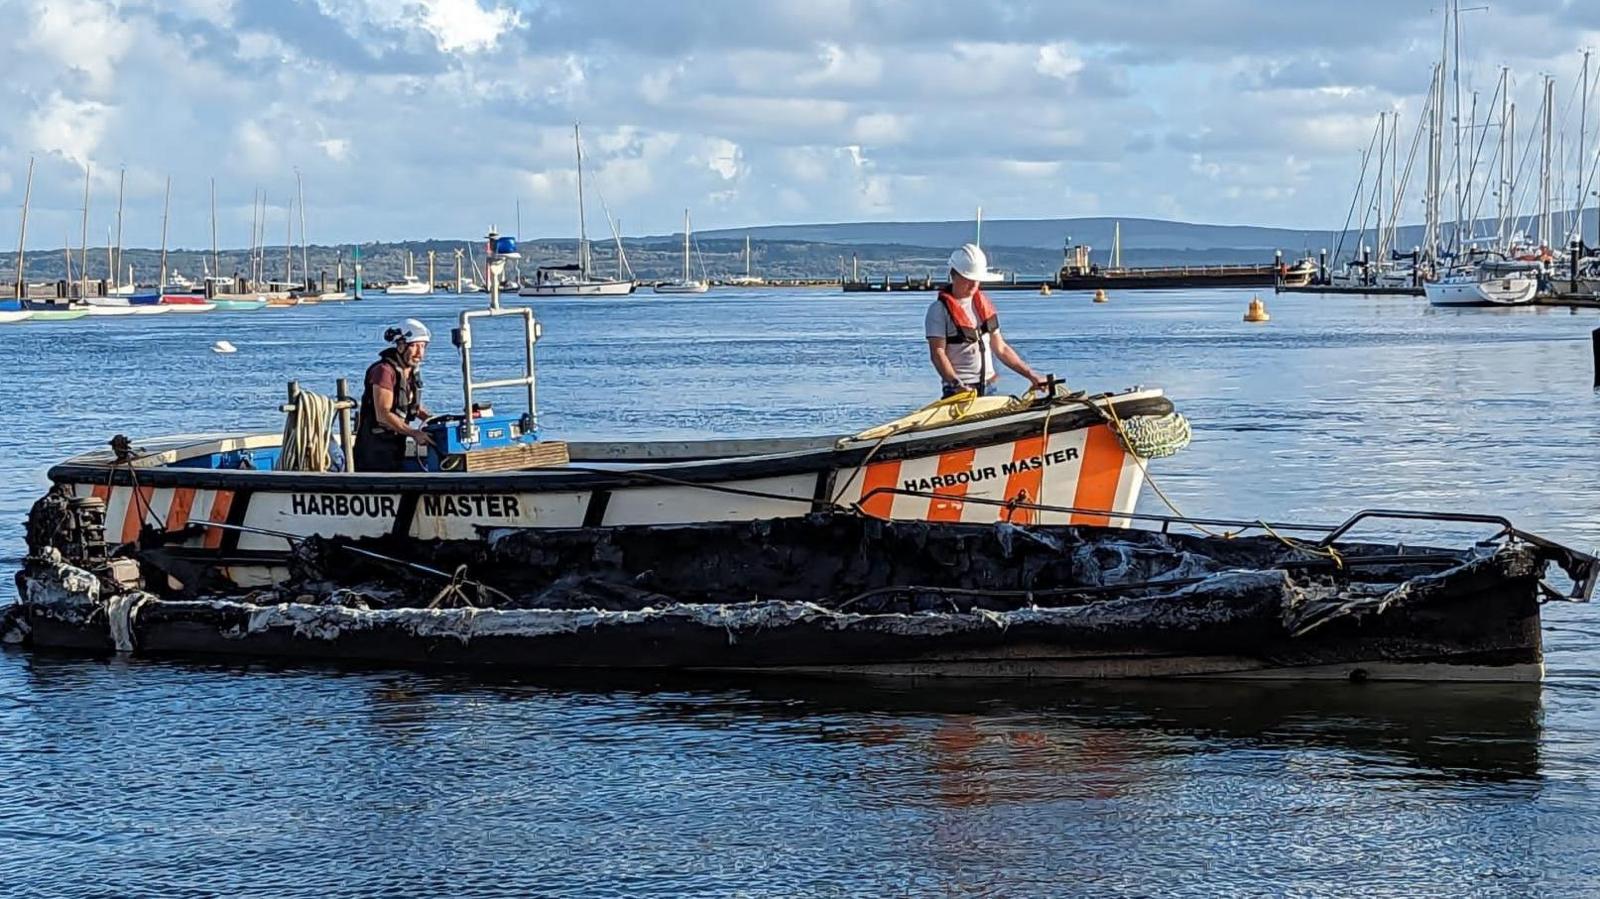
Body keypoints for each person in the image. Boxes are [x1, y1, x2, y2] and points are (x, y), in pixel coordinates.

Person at [925, 243, 1046, 397]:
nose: (974, 284)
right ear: (954, 275)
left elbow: (1000, 348)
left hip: (989, 387)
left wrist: (1030, 375)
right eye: (968, 278)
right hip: (960, 391)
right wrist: (956, 384)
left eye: (977, 279)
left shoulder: (983, 306)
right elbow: (938, 353)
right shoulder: (939, 310)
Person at [355, 318, 435, 472]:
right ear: (400, 346)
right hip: (375, 451)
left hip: (397, 445)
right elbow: (383, 414)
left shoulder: (410, 372)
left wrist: (434, 421)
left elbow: (413, 406)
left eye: (423, 346)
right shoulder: (384, 371)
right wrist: (413, 433)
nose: (420, 353)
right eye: (415, 346)